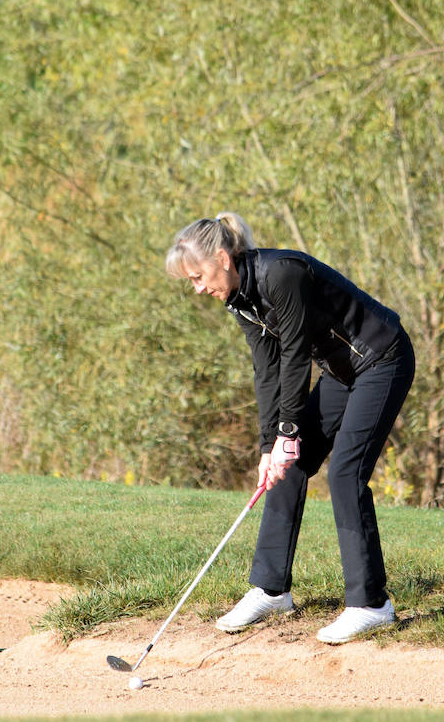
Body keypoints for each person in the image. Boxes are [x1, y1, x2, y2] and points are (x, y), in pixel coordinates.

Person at [165, 212, 416, 644]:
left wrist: (287, 432)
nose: (198, 288)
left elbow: (295, 356)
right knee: (289, 467)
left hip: (382, 358)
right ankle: (271, 588)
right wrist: (271, 445)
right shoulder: (239, 299)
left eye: (198, 276)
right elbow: (267, 371)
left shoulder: (282, 274)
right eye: (191, 281)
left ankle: (371, 604)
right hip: (341, 371)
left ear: (223, 258)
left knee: (345, 473)